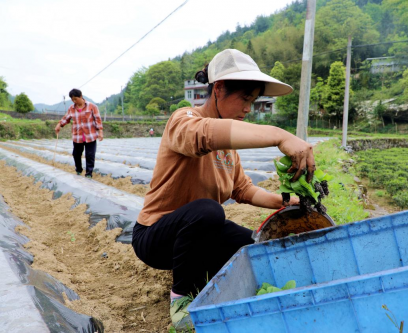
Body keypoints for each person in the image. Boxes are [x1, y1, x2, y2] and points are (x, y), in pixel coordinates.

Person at [131, 49, 315, 331]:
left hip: (196, 237)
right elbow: (205, 133)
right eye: (244, 99)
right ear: (218, 89)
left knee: (254, 247)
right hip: (156, 238)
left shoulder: (229, 149)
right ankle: (181, 299)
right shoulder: (182, 121)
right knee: (209, 211)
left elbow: (244, 190)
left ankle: (212, 281)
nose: (247, 109)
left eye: (252, 101)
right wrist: (280, 135)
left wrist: (288, 201)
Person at [55, 89, 103, 178]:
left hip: (90, 135)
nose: (74, 101)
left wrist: (100, 131)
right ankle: (78, 170)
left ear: (81, 96)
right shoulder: (71, 108)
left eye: (75, 99)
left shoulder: (92, 106)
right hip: (77, 136)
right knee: (76, 154)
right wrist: (59, 125)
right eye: (72, 99)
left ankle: (89, 173)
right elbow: (66, 118)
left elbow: (98, 119)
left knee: (90, 155)